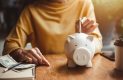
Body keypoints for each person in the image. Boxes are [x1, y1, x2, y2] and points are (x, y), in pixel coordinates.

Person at [2, 0, 102, 66]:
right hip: (46, 69)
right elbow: (8, 47)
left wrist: (83, 38)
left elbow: (98, 42)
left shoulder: (84, 3)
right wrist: (20, 52)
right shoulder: (31, 11)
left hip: (78, 68)